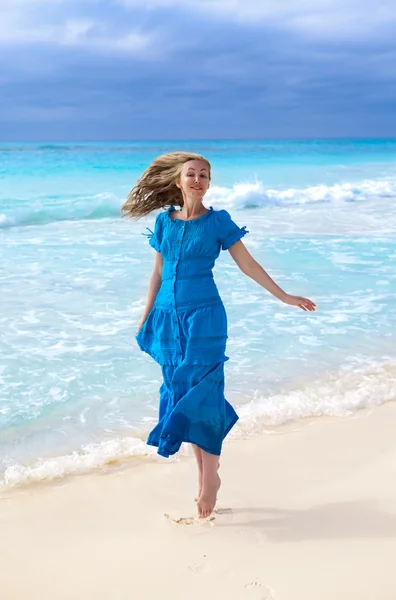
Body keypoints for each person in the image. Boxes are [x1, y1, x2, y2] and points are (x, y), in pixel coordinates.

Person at [121, 152, 316, 519]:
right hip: (167, 320)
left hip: (205, 317)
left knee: (204, 393)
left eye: (204, 175)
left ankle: (210, 477)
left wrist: (285, 296)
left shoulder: (218, 222)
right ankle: (204, 475)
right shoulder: (164, 223)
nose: (197, 180)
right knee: (181, 393)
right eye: (191, 174)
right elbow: (157, 275)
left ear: (209, 183)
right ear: (178, 181)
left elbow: (247, 264)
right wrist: (145, 317)